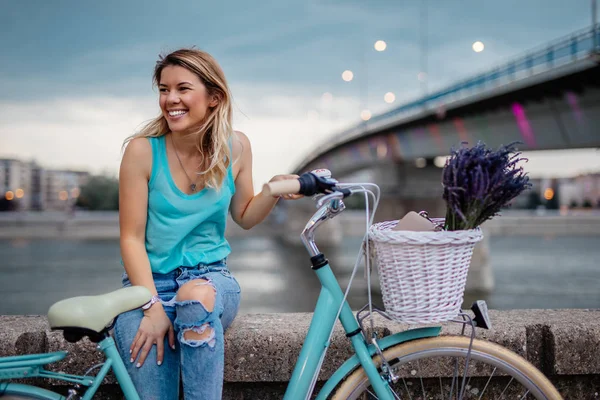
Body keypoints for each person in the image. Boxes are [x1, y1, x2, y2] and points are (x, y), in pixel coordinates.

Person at [113, 48, 300, 400]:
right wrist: (150, 307)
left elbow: (244, 216)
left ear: (214, 97)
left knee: (194, 298)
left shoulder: (236, 147)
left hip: (211, 281)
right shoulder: (141, 151)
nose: (171, 99)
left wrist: (271, 190)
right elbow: (131, 239)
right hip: (147, 288)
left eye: (183, 89)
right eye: (164, 89)